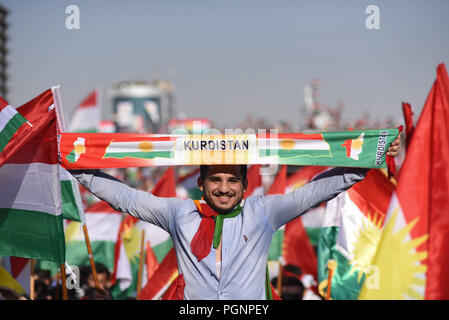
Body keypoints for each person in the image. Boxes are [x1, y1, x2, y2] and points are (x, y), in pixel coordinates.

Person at [69, 137, 400, 300]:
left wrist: (371, 156)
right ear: (201, 184)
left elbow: (315, 192)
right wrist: (77, 164)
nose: (224, 189)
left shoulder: (263, 211)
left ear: (244, 186)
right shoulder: (179, 212)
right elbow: (125, 197)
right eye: (215, 180)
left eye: (232, 181)